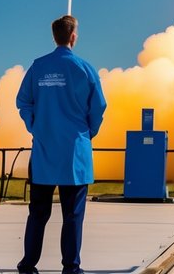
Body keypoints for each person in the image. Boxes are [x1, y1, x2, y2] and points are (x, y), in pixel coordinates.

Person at [16, 15, 107, 274]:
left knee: (38, 213)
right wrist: (87, 133)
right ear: (73, 36)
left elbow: (23, 101)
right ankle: (71, 267)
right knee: (73, 214)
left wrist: (35, 126)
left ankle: (28, 265)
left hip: (44, 152)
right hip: (74, 153)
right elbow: (98, 107)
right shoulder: (85, 69)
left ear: (54, 36)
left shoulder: (38, 67)